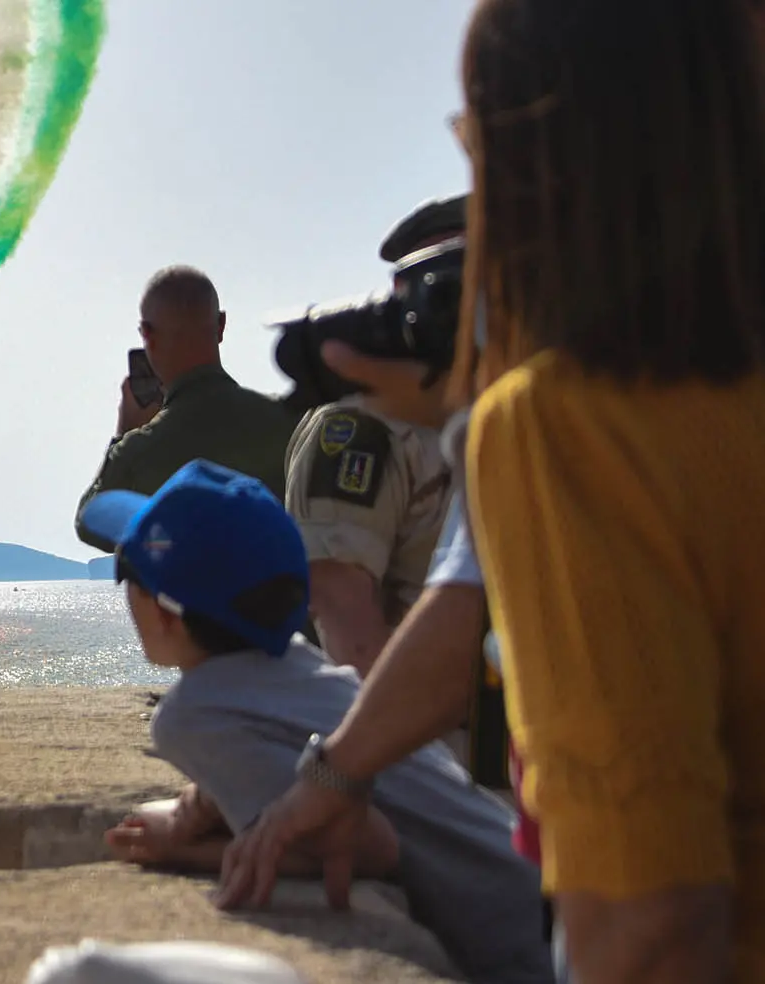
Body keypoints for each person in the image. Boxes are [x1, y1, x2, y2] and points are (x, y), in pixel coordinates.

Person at [233, 1, 765, 982]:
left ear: (538, 158)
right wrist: (341, 773)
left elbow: (651, 931)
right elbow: (465, 598)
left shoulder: (568, 431)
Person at [79, 458, 553, 984]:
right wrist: (196, 807)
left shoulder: (190, 719)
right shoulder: (301, 665)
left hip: (514, 950)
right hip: (541, 890)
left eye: (126, 570)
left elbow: (366, 848)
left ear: (164, 612)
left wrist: (184, 848)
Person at [280, 196, 465, 677]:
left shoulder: (519, 411)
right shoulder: (362, 429)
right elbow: (348, 625)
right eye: (443, 285)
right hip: (437, 738)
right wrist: (407, 748)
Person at [74, 266, 297, 553]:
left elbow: (91, 524)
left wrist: (126, 431)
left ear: (147, 335)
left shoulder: (140, 451)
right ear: (221, 326)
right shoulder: (292, 423)